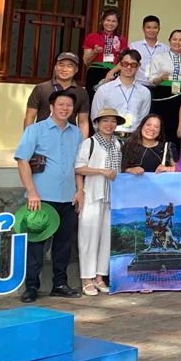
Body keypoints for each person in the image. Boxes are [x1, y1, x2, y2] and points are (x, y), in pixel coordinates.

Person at [15, 91, 83, 301]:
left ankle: (60, 284)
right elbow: (22, 160)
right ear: (51, 107)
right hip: (41, 197)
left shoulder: (77, 133)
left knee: (63, 245)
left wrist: (80, 190)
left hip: (68, 197)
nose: (65, 108)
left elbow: (79, 165)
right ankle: (31, 287)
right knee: (36, 244)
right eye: (61, 104)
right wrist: (32, 191)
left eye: (69, 105)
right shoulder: (35, 130)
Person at [74, 108, 123, 296]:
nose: (109, 125)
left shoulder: (118, 144)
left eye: (113, 121)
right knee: (88, 237)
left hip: (112, 197)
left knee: (106, 238)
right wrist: (101, 171)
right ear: (97, 123)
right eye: (105, 121)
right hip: (93, 194)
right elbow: (79, 168)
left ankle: (99, 277)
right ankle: (87, 278)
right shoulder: (90, 143)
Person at [24, 52, 91, 135]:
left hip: (68, 138)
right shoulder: (41, 88)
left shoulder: (81, 92)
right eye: (61, 65)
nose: (64, 69)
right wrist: (29, 138)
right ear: (55, 67)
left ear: (76, 69)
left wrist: (83, 142)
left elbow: (83, 122)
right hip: (42, 137)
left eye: (69, 66)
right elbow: (30, 117)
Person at [147, 30, 181, 144]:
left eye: (180, 40)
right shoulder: (159, 57)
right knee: (160, 125)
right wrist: (160, 78)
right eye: (174, 39)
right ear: (169, 41)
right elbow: (151, 80)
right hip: (161, 96)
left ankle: (173, 152)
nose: (177, 42)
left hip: (180, 97)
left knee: (176, 126)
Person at [91, 49, 152, 135]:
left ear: (138, 66)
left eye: (133, 64)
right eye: (125, 63)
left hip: (133, 138)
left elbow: (143, 119)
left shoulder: (145, 92)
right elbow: (95, 117)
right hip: (108, 136)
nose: (129, 67)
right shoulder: (104, 89)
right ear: (120, 64)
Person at [81, 8, 124, 97]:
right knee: (93, 98)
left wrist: (112, 72)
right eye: (108, 20)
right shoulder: (93, 37)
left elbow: (123, 61)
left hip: (114, 73)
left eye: (114, 21)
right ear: (102, 21)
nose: (110, 23)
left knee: (111, 100)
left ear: (118, 23)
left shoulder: (121, 39)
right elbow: (86, 61)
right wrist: (95, 52)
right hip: (95, 72)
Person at [128, 15, 165, 85]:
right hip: (138, 84)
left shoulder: (165, 49)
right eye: (148, 27)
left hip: (158, 85)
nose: (152, 30)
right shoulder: (134, 46)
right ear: (143, 29)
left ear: (159, 29)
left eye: (155, 28)